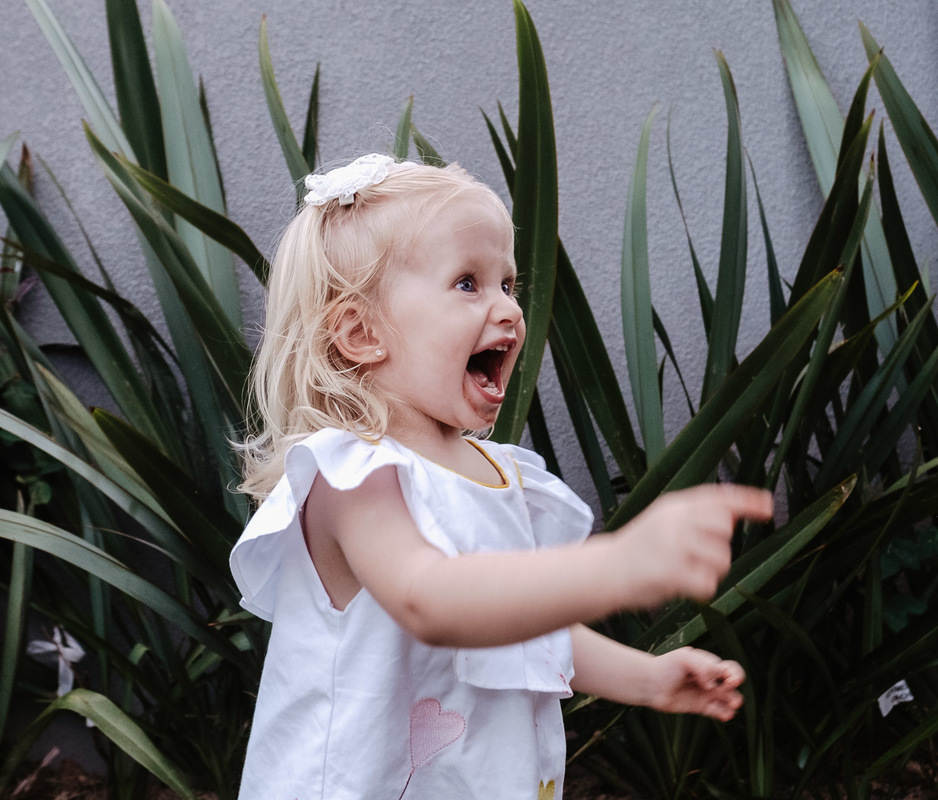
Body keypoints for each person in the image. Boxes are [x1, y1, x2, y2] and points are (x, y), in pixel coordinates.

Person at [230, 153, 774, 800]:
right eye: (468, 284)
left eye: (508, 285)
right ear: (361, 332)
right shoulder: (353, 476)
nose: (510, 311)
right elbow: (430, 599)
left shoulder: (498, 473)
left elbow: (525, 625)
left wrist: (646, 678)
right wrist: (618, 565)